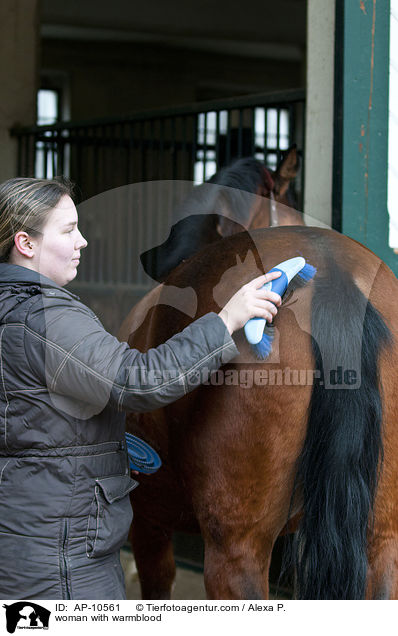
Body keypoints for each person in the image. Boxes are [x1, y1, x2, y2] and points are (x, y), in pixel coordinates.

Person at [0, 177, 282, 600]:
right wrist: (226, 321)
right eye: (68, 230)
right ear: (25, 242)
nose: (82, 242)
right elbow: (139, 380)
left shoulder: (10, 306)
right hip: (63, 554)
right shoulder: (45, 318)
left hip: (28, 531)